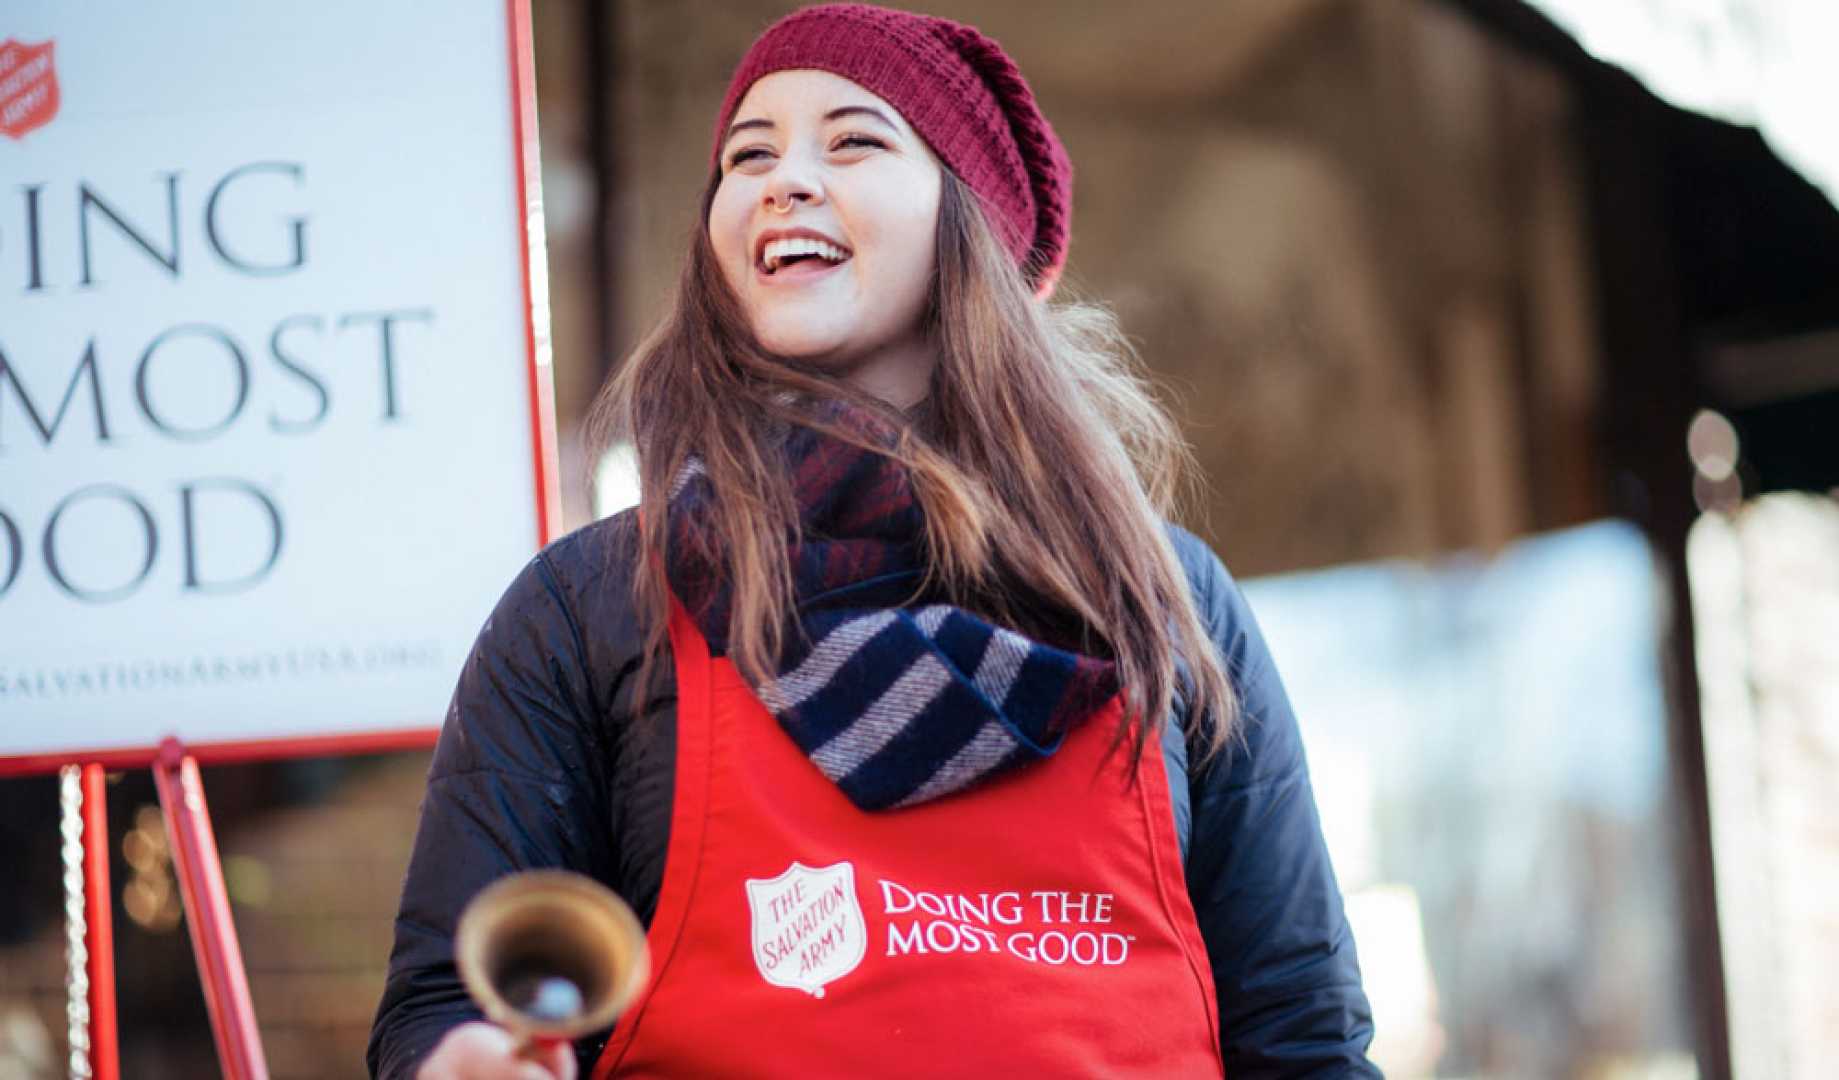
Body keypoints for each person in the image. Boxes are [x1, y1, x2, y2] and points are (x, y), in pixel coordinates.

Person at [368, 4, 1377, 1077]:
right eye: (745, 157)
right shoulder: (591, 606)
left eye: (852, 140)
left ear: (970, 222)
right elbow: (441, 1007)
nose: (780, 179)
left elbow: (1303, 1035)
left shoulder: (1165, 598)